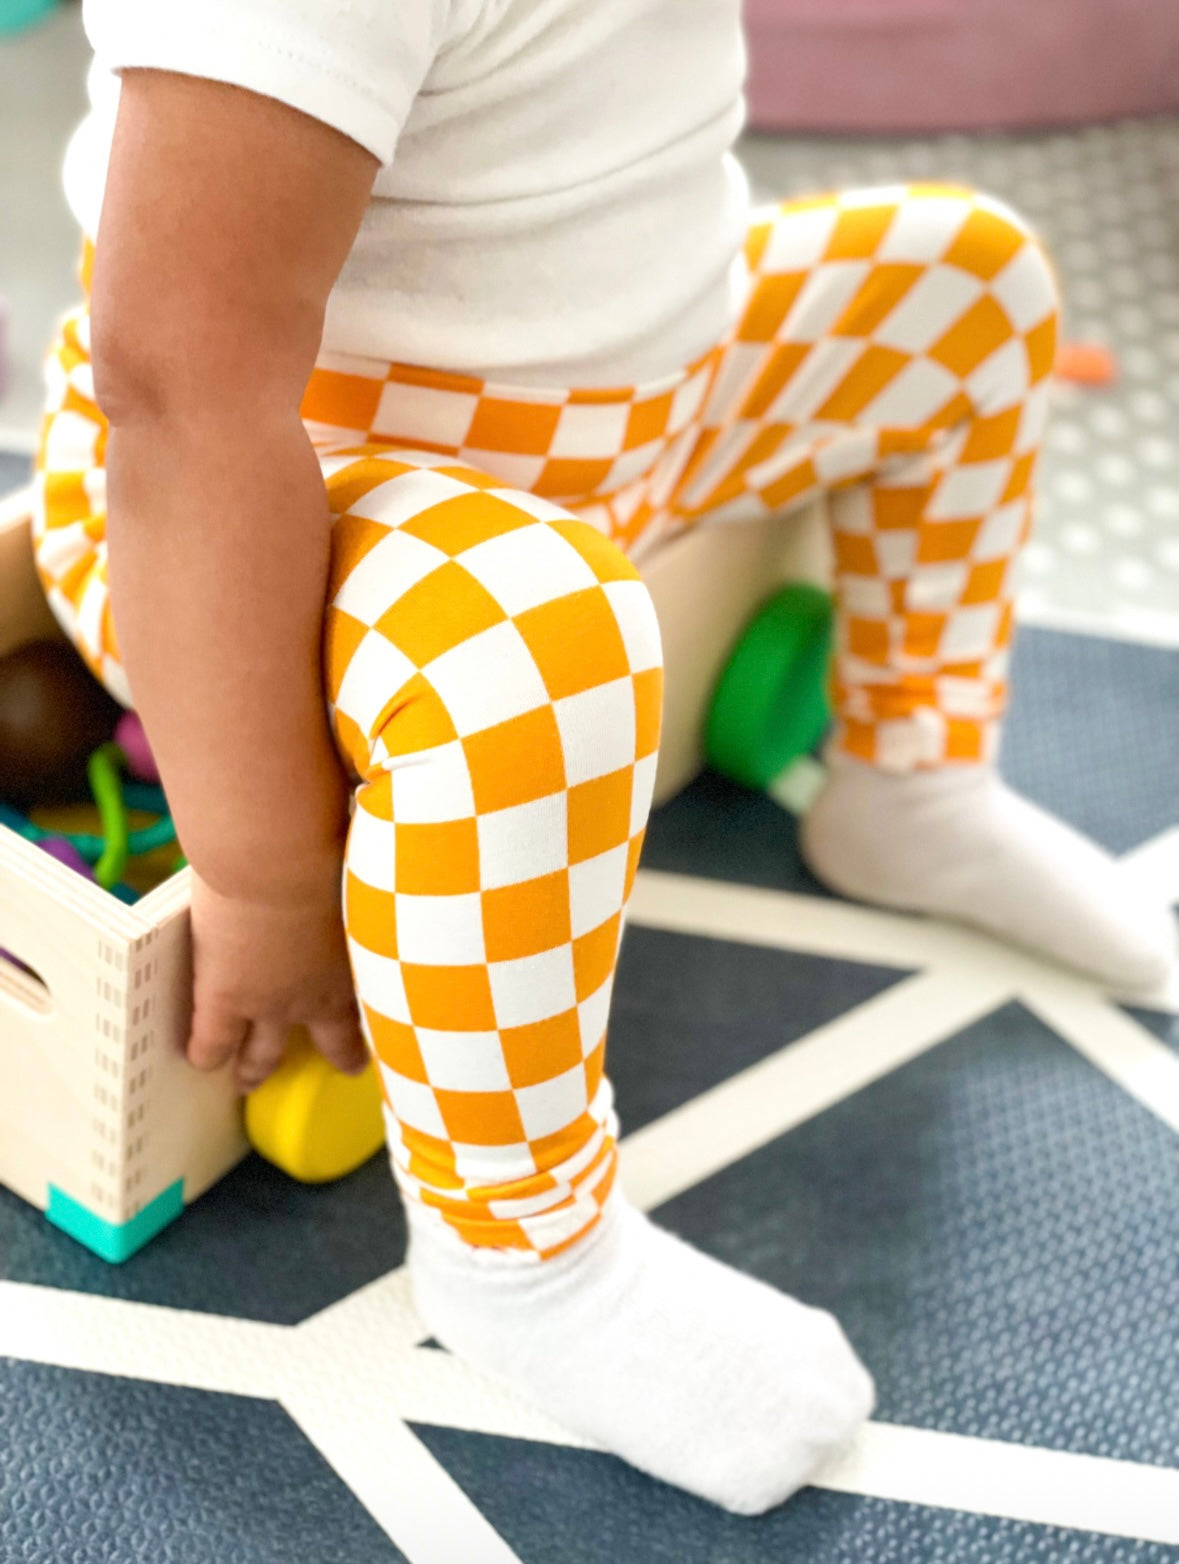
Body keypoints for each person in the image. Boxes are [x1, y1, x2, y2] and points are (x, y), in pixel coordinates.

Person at [34, 0, 1174, 1516]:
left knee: (962, 289)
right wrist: (264, 870)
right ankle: (523, 1258)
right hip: (267, 511)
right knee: (539, 649)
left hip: (626, 418)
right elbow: (181, 395)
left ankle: (914, 784)